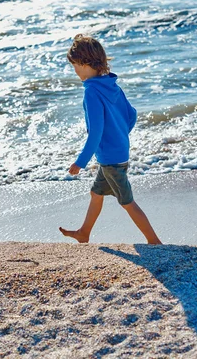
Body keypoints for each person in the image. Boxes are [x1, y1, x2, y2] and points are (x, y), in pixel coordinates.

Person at [59, 34, 162, 245]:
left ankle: (154, 241)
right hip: (118, 153)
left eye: (76, 65)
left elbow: (95, 133)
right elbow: (131, 115)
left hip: (110, 159)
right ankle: (84, 232)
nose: (75, 70)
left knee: (127, 202)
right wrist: (119, 135)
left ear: (87, 63)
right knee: (96, 193)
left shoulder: (91, 92)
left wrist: (81, 162)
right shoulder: (112, 85)